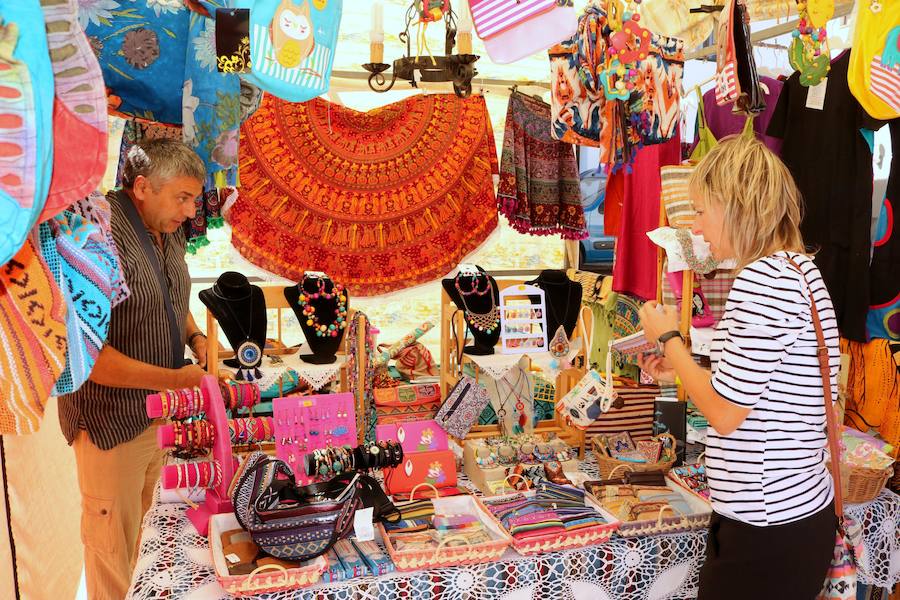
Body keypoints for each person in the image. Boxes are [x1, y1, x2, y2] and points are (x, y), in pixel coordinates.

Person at [638, 135, 839, 600]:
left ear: (737, 205)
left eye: (702, 210)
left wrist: (669, 339)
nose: (697, 226)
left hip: (767, 526)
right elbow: (763, 389)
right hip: (790, 513)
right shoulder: (800, 270)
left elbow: (727, 414)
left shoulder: (763, 280)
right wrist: (682, 369)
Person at [59, 139, 212, 600]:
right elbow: (85, 357)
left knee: (151, 548)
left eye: (193, 198)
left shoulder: (168, 228)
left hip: (156, 416)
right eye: (181, 198)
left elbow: (170, 296)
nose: (190, 211)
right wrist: (175, 381)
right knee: (114, 561)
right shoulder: (92, 234)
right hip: (110, 424)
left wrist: (194, 337)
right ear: (142, 186)